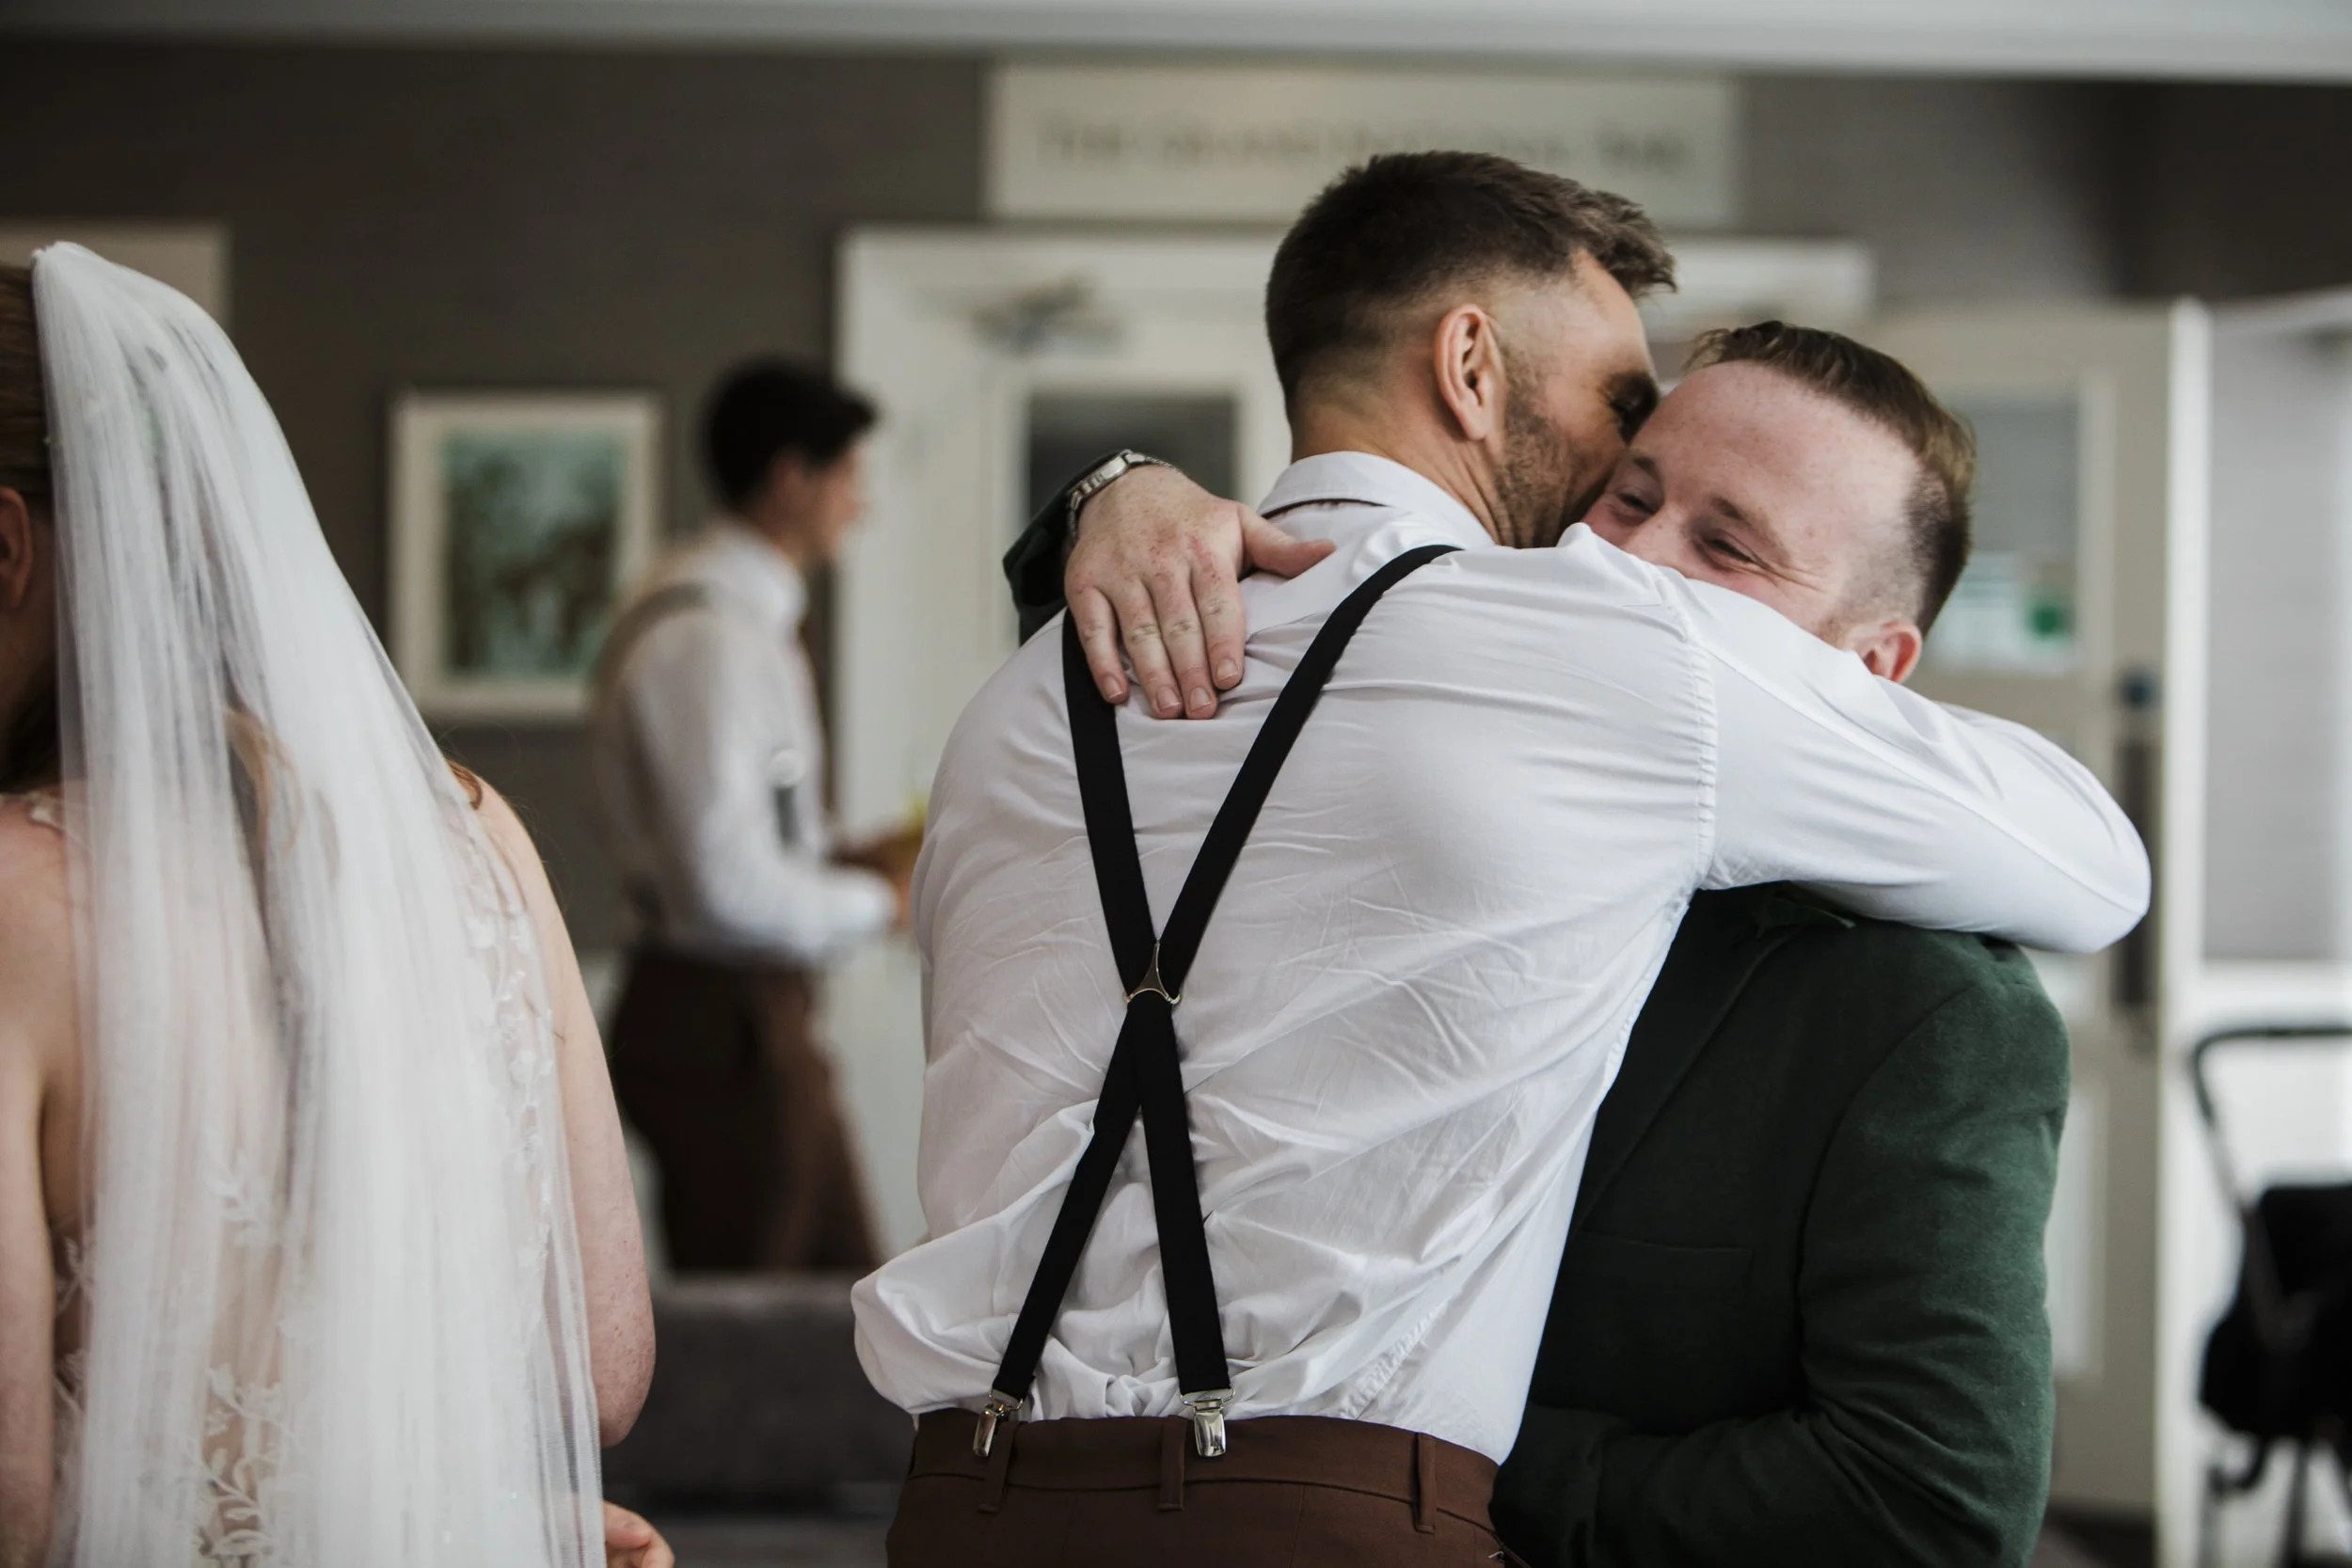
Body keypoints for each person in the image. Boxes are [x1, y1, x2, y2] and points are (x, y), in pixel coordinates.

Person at [852, 151, 2147, 1567]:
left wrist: (1115, 486)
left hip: (958, 1504)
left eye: (1726, 541)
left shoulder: (1019, 697)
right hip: (1319, 1517)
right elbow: (2095, 864)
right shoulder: (1607, 657)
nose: (1629, 547)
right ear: (1471, 365)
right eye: (1623, 435)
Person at [0, 248, 669, 1566]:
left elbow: (9, 1499)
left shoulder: (13, 904)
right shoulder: (475, 839)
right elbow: (597, 1369)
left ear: (4, 544)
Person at [591, 359, 914, 1273]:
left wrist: (858, 855)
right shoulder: (709, 641)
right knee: (761, 1336)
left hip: (749, 1019)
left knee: (837, 1298)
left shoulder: (740, 625)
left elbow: (753, 843)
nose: (863, 503)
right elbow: (723, 886)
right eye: (852, 475)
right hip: (719, 1025)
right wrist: (879, 905)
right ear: (791, 478)